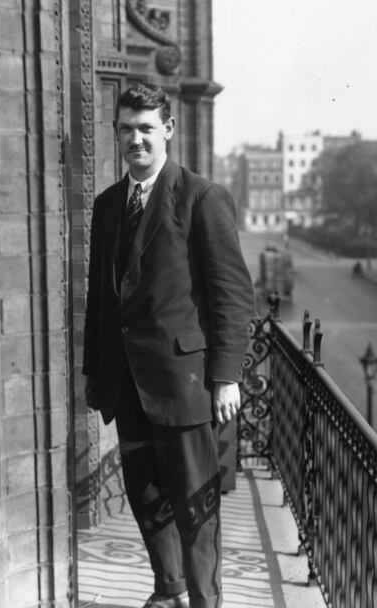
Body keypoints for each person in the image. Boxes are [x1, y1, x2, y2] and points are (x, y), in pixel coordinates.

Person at [82, 82, 254, 608]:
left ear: (169, 131)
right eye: (126, 129)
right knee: (146, 495)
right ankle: (170, 590)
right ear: (116, 133)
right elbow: (99, 297)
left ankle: (204, 601)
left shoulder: (201, 197)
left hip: (184, 382)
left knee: (195, 505)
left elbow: (231, 294)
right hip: (127, 382)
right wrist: (95, 373)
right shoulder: (108, 205)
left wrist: (226, 376)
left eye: (146, 129)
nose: (135, 140)